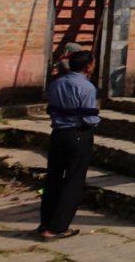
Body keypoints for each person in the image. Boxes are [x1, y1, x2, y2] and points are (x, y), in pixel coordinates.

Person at [39, 50, 99, 240]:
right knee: (73, 181)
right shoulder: (87, 87)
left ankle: (46, 222)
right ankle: (58, 227)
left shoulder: (56, 84)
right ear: (88, 66)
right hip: (78, 135)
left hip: (58, 134)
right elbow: (89, 117)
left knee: (53, 179)